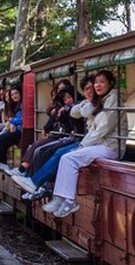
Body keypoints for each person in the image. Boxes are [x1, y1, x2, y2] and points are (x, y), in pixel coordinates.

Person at [43, 70, 128, 218]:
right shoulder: (101, 99)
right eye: (96, 82)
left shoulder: (113, 99)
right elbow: (75, 112)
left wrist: (83, 145)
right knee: (66, 156)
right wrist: (88, 102)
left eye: (102, 82)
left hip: (111, 146)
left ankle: (69, 201)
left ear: (110, 83)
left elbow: (104, 128)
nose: (98, 85)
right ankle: (60, 198)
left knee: (69, 158)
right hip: (100, 145)